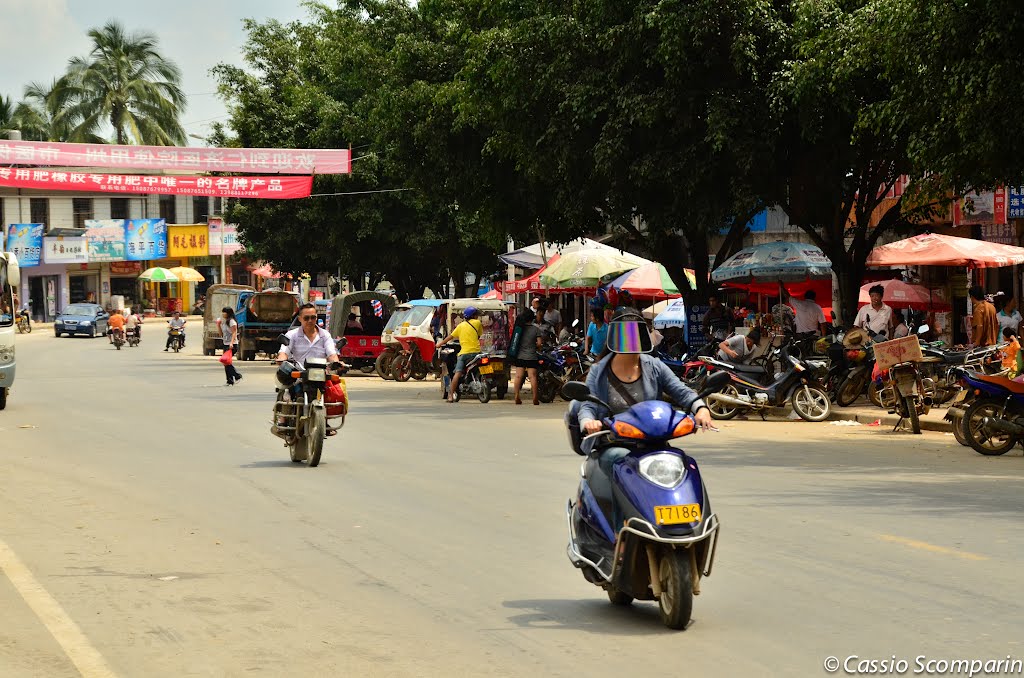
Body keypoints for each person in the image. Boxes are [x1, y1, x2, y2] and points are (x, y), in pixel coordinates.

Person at [576, 309, 714, 492]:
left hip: (653, 444)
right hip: (615, 444)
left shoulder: (654, 366)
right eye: (625, 334)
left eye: (635, 333)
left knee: (682, 464)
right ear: (615, 336)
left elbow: (681, 391)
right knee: (619, 462)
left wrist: (701, 408)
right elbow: (588, 405)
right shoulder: (599, 371)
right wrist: (588, 422)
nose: (631, 340)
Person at [277, 302, 342, 434]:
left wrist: (336, 362)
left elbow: (332, 354)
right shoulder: (292, 335)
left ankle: (323, 420)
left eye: (313, 317)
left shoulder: (325, 335)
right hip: (299, 372)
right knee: (286, 389)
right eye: (306, 318)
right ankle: (283, 419)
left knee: (332, 391)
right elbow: (284, 350)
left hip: (319, 372)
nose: (310, 321)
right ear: (300, 319)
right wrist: (282, 358)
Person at [437, 306, 484, 403]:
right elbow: (478, 335)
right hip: (477, 353)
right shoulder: (478, 323)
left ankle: (450, 395)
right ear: (474, 316)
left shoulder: (460, 326)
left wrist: (439, 344)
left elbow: (450, 337)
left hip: (464, 354)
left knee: (457, 373)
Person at [511, 310, 543, 406]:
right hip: (531, 356)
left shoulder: (519, 329)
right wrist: (536, 346)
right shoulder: (536, 329)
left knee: (518, 376)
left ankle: (517, 396)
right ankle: (535, 398)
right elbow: (539, 343)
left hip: (520, 356)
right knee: (532, 376)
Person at [217, 307, 243, 385]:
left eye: (224, 312)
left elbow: (234, 333)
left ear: (228, 313)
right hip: (225, 344)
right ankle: (230, 380)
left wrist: (231, 343)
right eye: (222, 312)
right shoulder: (225, 322)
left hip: (232, 345)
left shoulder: (232, 321)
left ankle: (236, 375)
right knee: (226, 362)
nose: (223, 314)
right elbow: (221, 334)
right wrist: (218, 325)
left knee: (226, 361)